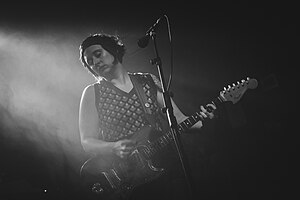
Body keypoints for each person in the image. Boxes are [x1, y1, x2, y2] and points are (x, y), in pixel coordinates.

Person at [78, 33, 217, 200]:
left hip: (162, 169)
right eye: (90, 62)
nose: (96, 63)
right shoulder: (93, 92)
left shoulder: (148, 81)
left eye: (98, 54)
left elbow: (179, 121)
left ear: (113, 49)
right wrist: (113, 147)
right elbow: (87, 142)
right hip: (123, 175)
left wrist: (205, 119)